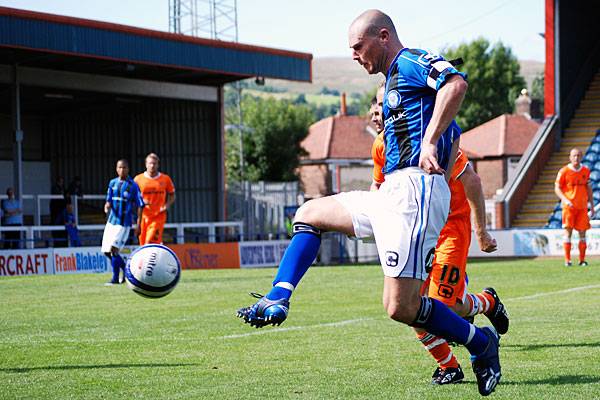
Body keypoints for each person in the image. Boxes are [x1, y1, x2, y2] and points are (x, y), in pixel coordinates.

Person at [238, 10, 501, 396]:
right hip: (392, 193)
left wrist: (430, 146)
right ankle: (279, 296)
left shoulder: (410, 61)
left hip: (415, 191)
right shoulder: (398, 86)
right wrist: (440, 145)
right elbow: (455, 135)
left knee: (401, 308)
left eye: (358, 47)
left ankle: (480, 343)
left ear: (382, 36)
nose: (355, 56)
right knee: (310, 213)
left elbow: (456, 84)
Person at [369, 83, 508, 385]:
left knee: (441, 307)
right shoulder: (381, 147)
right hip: (415, 233)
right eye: (376, 104)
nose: (377, 111)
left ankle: (485, 303)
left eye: (384, 103)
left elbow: (470, 180)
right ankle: (449, 365)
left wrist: (481, 231)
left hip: (449, 230)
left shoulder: (430, 138)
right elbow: (378, 187)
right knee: (410, 305)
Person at [102, 159, 144, 285]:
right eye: (120, 167)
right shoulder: (112, 183)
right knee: (106, 251)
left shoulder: (133, 185)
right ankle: (126, 270)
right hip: (111, 222)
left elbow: (140, 205)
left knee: (114, 250)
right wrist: (107, 206)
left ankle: (115, 279)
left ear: (128, 169)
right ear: (116, 169)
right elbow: (108, 200)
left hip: (123, 223)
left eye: (124, 167)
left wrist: (138, 223)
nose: (122, 170)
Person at [555, 148, 594, 266]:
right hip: (569, 208)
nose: (576, 158)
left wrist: (591, 205)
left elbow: (589, 188)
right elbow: (557, 188)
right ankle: (568, 260)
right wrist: (565, 200)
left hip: (582, 207)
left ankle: (582, 260)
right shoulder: (564, 171)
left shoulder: (586, 171)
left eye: (578, 155)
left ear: (581, 157)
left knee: (583, 233)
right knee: (568, 233)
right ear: (570, 157)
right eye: (574, 156)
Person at [134, 153, 175, 245]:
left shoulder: (165, 179)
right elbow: (132, 196)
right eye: (150, 163)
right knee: (143, 244)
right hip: (144, 216)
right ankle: (158, 252)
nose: (152, 166)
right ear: (146, 164)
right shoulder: (138, 179)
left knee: (150, 241)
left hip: (158, 216)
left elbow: (172, 195)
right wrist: (141, 201)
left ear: (158, 165)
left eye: (154, 163)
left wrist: (167, 205)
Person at [50, 176, 68, 247]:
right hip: (56, 211)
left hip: (62, 210)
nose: (61, 183)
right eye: (60, 181)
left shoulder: (63, 188)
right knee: (56, 226)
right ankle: (57, 244)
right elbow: (58, 196)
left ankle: (64, 244)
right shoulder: (55, 188)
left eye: (62, 181)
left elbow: (67, 194)